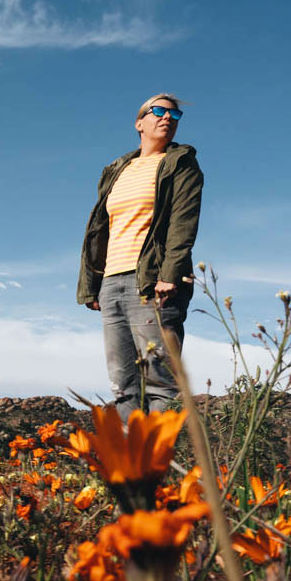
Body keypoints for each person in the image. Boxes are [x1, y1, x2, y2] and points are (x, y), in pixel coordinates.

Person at [76, 93, 203, 417]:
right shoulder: (117, 170)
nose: (167, 118)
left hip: (152, 282)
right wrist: (92, 285)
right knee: (123, 384)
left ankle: (157, 464)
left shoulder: (180, 163)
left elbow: (182, 221)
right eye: (158, 111)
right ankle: (132, 465)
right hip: (112, 282)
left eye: (174, 115)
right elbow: (99, 229)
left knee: (160, 381)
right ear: (139, 122)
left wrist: (169, 275)